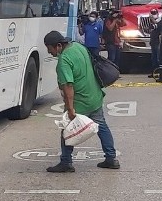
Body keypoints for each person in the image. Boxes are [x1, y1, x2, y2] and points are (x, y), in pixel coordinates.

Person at [43, 30, 119, 173]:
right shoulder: (78, 47)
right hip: (94, 96)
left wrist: (71, 109)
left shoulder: (64, 60)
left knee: (67, 130)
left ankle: (66, 162)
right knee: (102, 127)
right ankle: (111, 158)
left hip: (80, 101)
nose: (49, 52)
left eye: (50, 49)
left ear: (58, 46)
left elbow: (68, 86)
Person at [147, 6, 162, 78]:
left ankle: (161, 72)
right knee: (154, 58)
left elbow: (157, 25)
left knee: (158, 57)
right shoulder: (150, 22)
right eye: (152, 13)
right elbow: (150, 30)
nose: (153, 14)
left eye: (154, 13)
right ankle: (154, 72)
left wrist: (152, 18)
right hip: (153, 42)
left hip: (158, 42)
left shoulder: (160, 20)